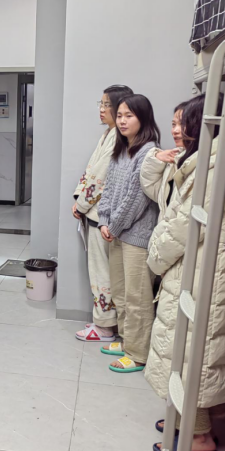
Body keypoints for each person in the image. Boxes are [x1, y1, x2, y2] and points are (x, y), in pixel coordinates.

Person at [147, 94, 225, 451]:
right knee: (188, 350)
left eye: (184, 122)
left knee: (191, 355)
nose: (179, 129)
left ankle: (198, 436)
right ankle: (185, 421)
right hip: (202, 268)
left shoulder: (216, 168)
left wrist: (155, 258)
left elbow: (182, 226)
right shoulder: (209, 160)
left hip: (203, 273)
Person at [98, 94, 160, 373]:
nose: (122, 121)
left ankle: (138, 354)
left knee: (138, 296)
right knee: (121, 292)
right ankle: (126, 341)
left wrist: (112, 226)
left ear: (143, 118)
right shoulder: (122, 148)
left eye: (129, 116)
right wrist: (103, 220)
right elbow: (109, 188)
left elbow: (136, 199)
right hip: (116, 232)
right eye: (120, 115)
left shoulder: (148, 152)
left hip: (136, 237)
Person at [72, 84, 134, 343]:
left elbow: (100, 177)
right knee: (103, 270)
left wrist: (81, 204)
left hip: (101, 216)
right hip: (95, 212)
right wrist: (79, 198)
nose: (102, 109)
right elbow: (91, 171)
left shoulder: (117, 137)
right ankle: (105, 320)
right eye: (102, 104)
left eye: (107, 105)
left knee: (102, 272)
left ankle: (106, 326)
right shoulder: (109, 134)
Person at [140, 101, 187, 221]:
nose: (175, 130)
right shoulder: (176, 156)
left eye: (183, 124)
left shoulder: (201, 163)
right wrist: (154, 159)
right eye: (173, 124)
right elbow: (157, 192)